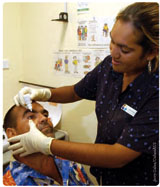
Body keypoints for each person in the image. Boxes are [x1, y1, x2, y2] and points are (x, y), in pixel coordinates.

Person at [8, 2, 159, 185]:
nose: (113, 53)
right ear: (10, 133)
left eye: (124, 49)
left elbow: (118, 156)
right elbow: (75, 91)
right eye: (112, 41)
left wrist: (47, 145)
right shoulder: (109, 67)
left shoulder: (154, 91)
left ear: (151, 52)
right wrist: (44, 94)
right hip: (106, 176)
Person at [3, 102, 93, 186]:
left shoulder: (65, 158)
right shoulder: (10, 182)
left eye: (45, 114)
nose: (44, 118)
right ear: (12, 133)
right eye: (31, 117)